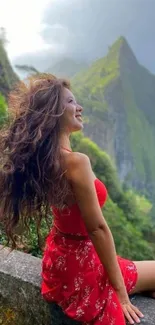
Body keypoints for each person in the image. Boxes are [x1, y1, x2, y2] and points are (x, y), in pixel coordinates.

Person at [0, 74, 155, 325]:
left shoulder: (45, 161)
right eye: (71, 101)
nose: (79, 107)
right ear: (54, 112)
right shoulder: (76, 162)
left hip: (58, 261)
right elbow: (97, 229)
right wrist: (120, 294)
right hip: (83, 265)